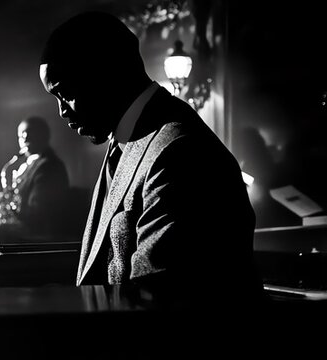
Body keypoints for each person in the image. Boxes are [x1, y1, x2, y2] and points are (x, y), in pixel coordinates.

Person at [38, 12, 261, 304]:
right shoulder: (131, 139)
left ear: (104, 72)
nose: (62, 112)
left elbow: (157, 300)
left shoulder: (180, 153)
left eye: (65, 93)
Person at [0, 116, 70, 240]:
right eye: (21, 136)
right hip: (27, 230)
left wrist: (12, 213)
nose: (25, 139)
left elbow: (39, 213)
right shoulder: (30, 163)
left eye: (29, 134)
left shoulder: (50, 166)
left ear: (44, 136)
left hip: (40, 236)